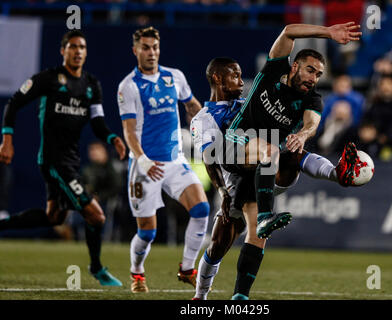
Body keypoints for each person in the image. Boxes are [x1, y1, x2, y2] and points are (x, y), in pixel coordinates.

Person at [191, 56, 363, 300]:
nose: (241, 81)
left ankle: (336, 173)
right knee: (220, 244)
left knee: (291, 152)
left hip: (266, 168)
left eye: (241, 75)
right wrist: (223, 192)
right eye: (235, 76)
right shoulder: (203, 119)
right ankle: (200, 295)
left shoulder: (247, 102)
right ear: (217, 79)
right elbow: (210, 158)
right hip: (235, 183)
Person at [0, 30, 126, 286]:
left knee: (54, 217)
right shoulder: (49, 78)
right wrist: (7, 140)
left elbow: (98, 121)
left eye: (82, 47)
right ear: (63, 51)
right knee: (97, 216)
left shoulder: (91, 85)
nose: (78, 51)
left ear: (86, 52)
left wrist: (112, 138)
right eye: (73, 46)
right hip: (53, 161)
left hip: (70, 161)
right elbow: (13, 103)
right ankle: (97, 267)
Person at [223, 22, 361, 242]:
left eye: (319, 75)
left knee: (247, 242)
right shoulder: (275, 69)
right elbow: (288, 31)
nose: (314, 78)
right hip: (232, 146)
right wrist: (328, 33)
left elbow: (312, 124)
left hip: (265, 167)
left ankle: (336, 174)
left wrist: (302, 135)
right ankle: (265, 216)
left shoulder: (313, 98)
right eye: (310, 70)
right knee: (272, 150)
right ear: (295, 66)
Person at [117, 26, 209, 293]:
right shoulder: (128, 86)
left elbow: (192, 106)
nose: (151, 53)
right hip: (146, 166)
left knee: (201, 210)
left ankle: (187, 268)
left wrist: (206, 122)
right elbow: (128, 129)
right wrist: (142, 159)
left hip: (174, 161)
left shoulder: (174, 77)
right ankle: (137, 273)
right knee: (147, 233)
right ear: (135, 51)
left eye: (155, 47)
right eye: (145, 48)